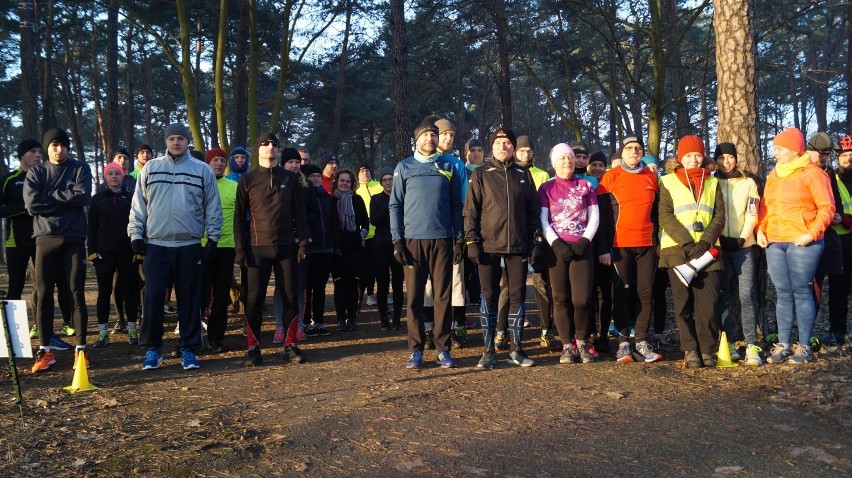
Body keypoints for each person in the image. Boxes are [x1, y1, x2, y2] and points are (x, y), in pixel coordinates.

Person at [129, 123, 223, 371]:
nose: (176, 143)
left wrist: (212, 238)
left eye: (181, 138)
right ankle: (153, 349)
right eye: (171, 139)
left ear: (187, 141)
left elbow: (213, 207)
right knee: (153, 298)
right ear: (166, 142)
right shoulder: (151, 167)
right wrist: (136, 234)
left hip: (189, 245)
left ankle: (189, 349)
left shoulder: (202, 170)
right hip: (156, 246)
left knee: (189, 300)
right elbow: (138, 205)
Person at [390, 119, 463, 369]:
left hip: (442, 239)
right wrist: (397, 240)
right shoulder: (404, 167)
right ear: (416, 139)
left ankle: (443, 349)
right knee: (415, 298)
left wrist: (459, 239)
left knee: (443, 296)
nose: (430, 139)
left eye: (434, 135)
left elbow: (456, 206)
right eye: (425, 135)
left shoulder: (447, 166)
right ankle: (416, 350)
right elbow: (395, 205)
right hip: (412, 242)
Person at [758, 128, 834, 364]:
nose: (776, 153)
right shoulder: (774, 175)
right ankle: (782, 345)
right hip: (774, 241)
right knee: (782, 294)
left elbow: (827, 208)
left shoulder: (813, 174)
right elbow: (765, 206)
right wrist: (760, 228)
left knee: (802, 291)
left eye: (780, 149)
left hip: (803, 242)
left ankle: (803, 347)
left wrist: (811, 234)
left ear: (793, 150)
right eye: (775, 149)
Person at [466, 127, 540, 368]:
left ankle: (516, 349)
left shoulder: (523, 174)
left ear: (513, 148)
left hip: (518, 246)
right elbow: (471, 211)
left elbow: (533, 211)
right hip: (488, 245)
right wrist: (471, 241)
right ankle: (488, 350)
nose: (503, 147)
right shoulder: (481, 174)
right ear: (492, 147)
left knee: (517, 295)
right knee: (489, 296)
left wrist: (534, 242)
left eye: (507, 143)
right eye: (498, 143)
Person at [234, 132, 308, 367]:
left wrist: (303, 241)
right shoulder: (248, 179)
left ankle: (290, 346)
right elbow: (238, 217)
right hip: (257, 249)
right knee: (254, 299)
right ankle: (254, 349)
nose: (270, 147)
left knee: (290, 297)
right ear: (257, 150)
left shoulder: (290, 178)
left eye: (275, 144)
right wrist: (240, 249)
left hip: (287, 247)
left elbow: (300, 213)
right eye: (265, 144)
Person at [24, 127, 92, 372]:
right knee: (43, 295)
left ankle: (81, 350)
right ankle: (45, 351)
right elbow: (33, 204)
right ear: (47, 147)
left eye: (63, 145)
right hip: (45, 239)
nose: (59, 149)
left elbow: (83, 196)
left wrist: (50, 197)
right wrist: (66, 198)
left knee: (76, 294)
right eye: (54, 145)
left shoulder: (80, 168)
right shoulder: (36, 172)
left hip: (73, 238)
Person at [658, 136, 725, 368]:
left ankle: (707, 349)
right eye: (688, 156)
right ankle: (690, 349)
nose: (694, 160)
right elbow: (665, 215)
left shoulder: (713, 182)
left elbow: (719, 216)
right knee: (682, 303)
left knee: (709, 302)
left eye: (697, 155)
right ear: (680, 158)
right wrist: (687, 243)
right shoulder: (667, 181)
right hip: (677, 250)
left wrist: (705, 242)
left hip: (708, 251)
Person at [596, 135, 662, 363]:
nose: (634, 151)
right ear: (622, 153)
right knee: (621, 293)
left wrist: (659, 243)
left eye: (638, 148)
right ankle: (623, 343)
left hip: (647, 246)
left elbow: (658, 214)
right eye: (629, 148)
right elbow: (602, 217)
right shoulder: (609, 177)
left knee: (645, 293)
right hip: (619, 245)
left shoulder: (652, 178)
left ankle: (642, 341)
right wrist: (603, 248)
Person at [496, 135, 558, 352]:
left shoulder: (542, 175)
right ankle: (501, 331)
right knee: (509, 288)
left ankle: (545, 331)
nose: (526, 154)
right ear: (514, 151)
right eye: (521, 151)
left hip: (535, 237)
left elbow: (540, 208)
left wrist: (539, 237)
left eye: (529, 151)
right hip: (510, 240)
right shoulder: (506, 172)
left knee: (540, 285)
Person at [539, 143, 599, 364]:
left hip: (582, 248)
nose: (567, 162)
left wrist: (584, 241)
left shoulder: (586, 185)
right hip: (557, 250)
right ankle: (566, 345)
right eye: (562, 158)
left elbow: (594, 216)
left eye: (571, 158)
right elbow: (543, 219)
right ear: (554, 163)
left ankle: (582, 342)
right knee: (560, 299)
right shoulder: (546, 188)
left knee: (582, 299)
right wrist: (556, 244)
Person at [714, 142, 763, 365]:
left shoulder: (748, 182)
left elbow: (753, 212)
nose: (726, 162)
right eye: (721, 158)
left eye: (730, 157)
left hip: (744, 247)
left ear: (736, 158)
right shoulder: (710, 182)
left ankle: (752, 345)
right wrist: (720, 238)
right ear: (716, 160)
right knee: (723, 296)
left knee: (746, 295)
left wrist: (742, 238)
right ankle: (729, 342)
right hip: (719, 247)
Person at [422, 117, 469, 348]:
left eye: (452, 135)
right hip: (426, 232)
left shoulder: (457, 165)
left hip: (451, 231)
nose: (448, 139)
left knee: (455, 281)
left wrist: (461, 235)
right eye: (444, 134)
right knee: (429, 283)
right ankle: (429, 330)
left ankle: (450, 329)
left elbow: (462, 201)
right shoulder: (420, 161)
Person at [88, 162, 139, 347]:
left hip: (127, 252)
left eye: (117, 173)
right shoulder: (97, 199)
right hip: (104, 254)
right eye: (110, 173)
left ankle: (132, 330)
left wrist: (138, 250)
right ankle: (103, 333)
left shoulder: (131, 198)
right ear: (105, 177)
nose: (114, 176)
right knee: (104, 293)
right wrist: (92, 251)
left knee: (129, 292)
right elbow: (91, 227)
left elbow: (139, 223)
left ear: (123, 175)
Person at [201, 148, 237, 353]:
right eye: (215, 160)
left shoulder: (233, 186)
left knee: (222, 295)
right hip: (200, 245)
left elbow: (241, 217)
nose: (219, 164)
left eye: (222, 160)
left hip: (226, 247)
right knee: (198, 294)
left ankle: (216, 338)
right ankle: (193, 336)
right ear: (208, 163)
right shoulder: (199, 184)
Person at [821, 135, 852, 346]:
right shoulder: (831, 178)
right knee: (838, 288)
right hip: (839, 240)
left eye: (851, 155)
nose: (848, 159)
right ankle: (837, 330)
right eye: (844, 156)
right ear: (838, 157)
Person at [331, 169, 369, 331]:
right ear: (336, 182)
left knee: (353, 285)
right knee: (339, 286)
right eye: (342, 181)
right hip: (337, 249)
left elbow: (365, 223)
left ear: (352, 183)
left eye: (347, 181)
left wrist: (361, 235)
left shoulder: (358, 199)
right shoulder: (331, 200)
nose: (344, 183)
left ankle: (352, 318)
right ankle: (340, 319)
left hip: (355, 248)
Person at [302, 163, 338, 336]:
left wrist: (333, 241)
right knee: (308, 286)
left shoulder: (327, 198)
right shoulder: (304, 196)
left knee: (321, 287)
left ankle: (319, 321)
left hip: (326, 247)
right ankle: (306, 321)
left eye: (318, 176)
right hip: (310, 247)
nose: (316, 179)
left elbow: (333, 221)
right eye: (312, 176)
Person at [370, 167, 404, 330]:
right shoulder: (376, 199)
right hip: (380, 244)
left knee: (398, 282)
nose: (388, 182)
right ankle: (383, 317)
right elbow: (374, 221)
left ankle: (397, 317)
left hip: (398, 243)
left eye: (391, 179)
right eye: (385, 180)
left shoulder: (403, 197)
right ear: (381, 182)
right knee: (382, 283)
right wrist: (387, 207)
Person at [356, 165, 383, 307]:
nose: (365, 173)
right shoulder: (356, 190)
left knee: (378, 266)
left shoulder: (379, 186)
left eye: (367, 170)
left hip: (379, 233)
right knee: (364, 268)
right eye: (361, 171)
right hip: (363, 235)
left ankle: (376, 294)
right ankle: (364, 296)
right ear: (357, 175)